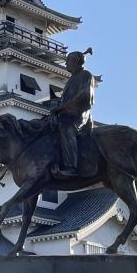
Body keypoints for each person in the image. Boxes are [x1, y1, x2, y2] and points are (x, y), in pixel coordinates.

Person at [50, 47, 95, 177]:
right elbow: (65, 98)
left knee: (66, 128)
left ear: (76, 62)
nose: (66, 64)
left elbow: (84, 96)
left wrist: (62, 107)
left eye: (68, 61)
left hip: (79, 114)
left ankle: (71, 166)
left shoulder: (86, 75)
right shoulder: (71, 79)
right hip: (66, 113)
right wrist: (57, 106)